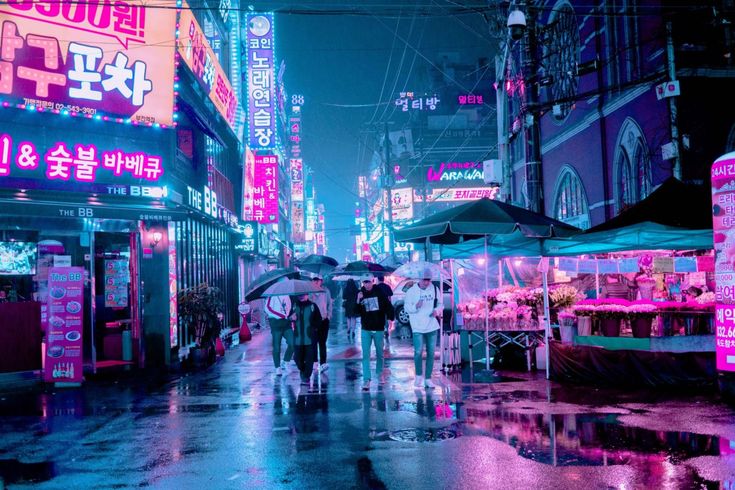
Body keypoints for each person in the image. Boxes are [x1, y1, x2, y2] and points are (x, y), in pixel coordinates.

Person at [404, 267, 441, 389]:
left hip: (432, 325)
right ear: (420, 278)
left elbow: (441, 304)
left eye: (429, 280)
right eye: (425, 279)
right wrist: (416, 306)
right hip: (417, 327)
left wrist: (436, 311)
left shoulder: (435, 289)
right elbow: (407, 308)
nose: (427, 282)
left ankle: (428, 379)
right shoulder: (411, 291)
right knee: (418, 351)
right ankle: (418, 375)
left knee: (431, 353)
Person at [356, 274, 393, 391]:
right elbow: (355, 311)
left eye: (369, 282)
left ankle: (380, 374)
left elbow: (388, 306)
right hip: (365, 328)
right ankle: (366, 380)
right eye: (365, 282)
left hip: (378, 328)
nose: (367, 284)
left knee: (379, 353)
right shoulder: (360, 294)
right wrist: (358, 300)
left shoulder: (380, 292)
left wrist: (391, 317)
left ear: (373, 281)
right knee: (365, 354)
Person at [290, 293, 323, 386]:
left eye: (303, 294)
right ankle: (303, 371)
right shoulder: (294, 305)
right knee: (297, 358)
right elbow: (288, 317)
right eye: (299, 294)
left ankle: (306, 376)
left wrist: (313, 327)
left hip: (310, 338)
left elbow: (319, 319)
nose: (301, 296)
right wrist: (291, 318)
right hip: (298, 338)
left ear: (307, 295)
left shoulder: (313, 306)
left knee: (309, 359)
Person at [309, 275, 333, 373]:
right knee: (313, 342)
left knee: (322, 342)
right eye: (314, 280)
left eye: (317, 280)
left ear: (321, 281)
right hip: (313, 321)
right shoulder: (309, 291)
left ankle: (323, 363)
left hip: (324, 320)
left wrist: (329, 316)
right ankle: (314, 362)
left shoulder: (326, 291)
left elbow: (329, 304)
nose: (315, 282)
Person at [265, 294, 293, 376]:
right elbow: (267, 308)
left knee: (293, 342)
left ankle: (286, 361)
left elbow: (289, 307)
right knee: (277, 346)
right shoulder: (271, 295)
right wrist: (279, 315)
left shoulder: (287, 295)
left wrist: (286, 315)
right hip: (275, 324)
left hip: (286, 323)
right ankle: (277, 367)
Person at [375, 275, 394, 343]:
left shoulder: (376, 287)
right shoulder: (387, 286)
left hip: (378, 305)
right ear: (383, 279)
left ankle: (381, 330)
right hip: (386, 305)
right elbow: (389, 296)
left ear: (378, 279)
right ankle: (386, 329)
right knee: (386, 317)